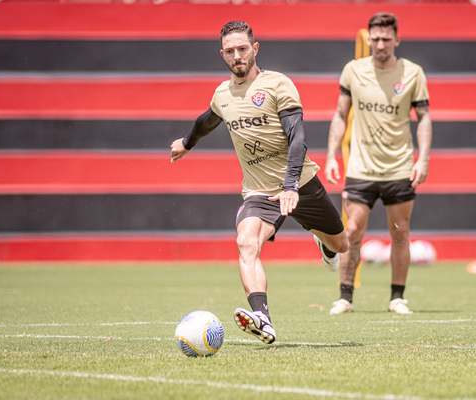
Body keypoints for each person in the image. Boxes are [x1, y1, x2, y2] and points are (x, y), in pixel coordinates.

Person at [170, 21, 349, 344]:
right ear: (222, 54)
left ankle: (323, 242)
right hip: (258, 191)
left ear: (255, 49)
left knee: (342, 245)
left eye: (243, 49)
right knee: (246, 243)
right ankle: (262, 318)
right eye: (230, 51)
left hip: (300, 183)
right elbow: (206, 121)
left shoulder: (278, 84)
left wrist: (291, 186)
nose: (237, 55)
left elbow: (298, 139)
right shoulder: (222, 95)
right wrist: (186, 143)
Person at [324, 13, 432, 315]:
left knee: (400, 232)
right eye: (376, 38)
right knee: (353, 230)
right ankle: (345, 298)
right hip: (360, 167)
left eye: (387, 39)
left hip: (399, 167)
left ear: (396, 40)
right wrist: (332, 154)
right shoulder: (352, 71)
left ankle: (397, 298)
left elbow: (423, 118)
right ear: (367, 38)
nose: (380, 44)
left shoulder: (413, 73)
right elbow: (340, 114)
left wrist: (422, 158)